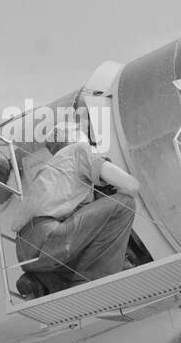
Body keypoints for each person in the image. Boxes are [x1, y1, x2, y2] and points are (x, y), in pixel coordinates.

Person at [10, 119, 141, 299]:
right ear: (74, 137)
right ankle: (95, 277)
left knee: (77, 248)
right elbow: (131, 185)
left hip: (25, 252)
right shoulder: (79, 150)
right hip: (49, 237)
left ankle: (38, 282)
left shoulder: (51, 170)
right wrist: (119, 188)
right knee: (124, 204)